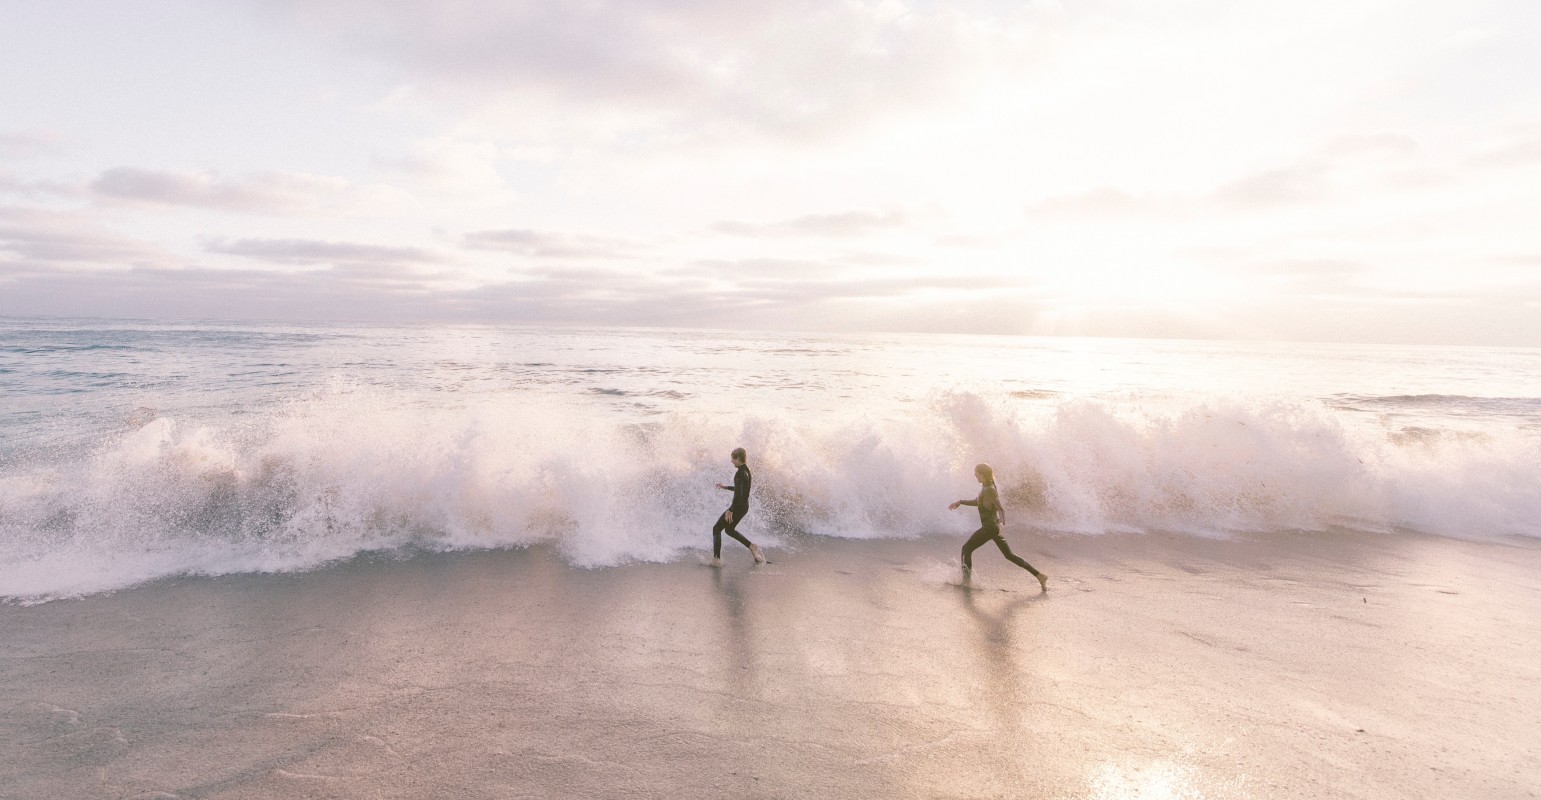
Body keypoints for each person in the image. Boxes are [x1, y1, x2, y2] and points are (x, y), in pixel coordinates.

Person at [949, 463, 1047, 591]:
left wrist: (1001, 522)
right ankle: (1039, 575)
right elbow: (978, 502)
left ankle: (966, 582)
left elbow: (1000, 508)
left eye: (976, 473)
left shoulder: (990, 489)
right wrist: (961, 502)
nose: (974, 475)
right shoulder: (985, 487)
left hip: (990, 528)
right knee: (1009, 555)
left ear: (981, 474)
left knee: (966, 549)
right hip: (992, 528)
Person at [712, 447, 764, 565]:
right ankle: (751, 546)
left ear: (739, 459)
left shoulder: (740, 473)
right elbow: (741, 490)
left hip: (738, 507)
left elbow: (739, 495)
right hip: (743, 507)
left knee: (716, 529)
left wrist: (731, 510)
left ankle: (716, 559)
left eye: (733, 459)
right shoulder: (746, 471)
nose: (731, 461)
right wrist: (726, 487)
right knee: (729, 530)